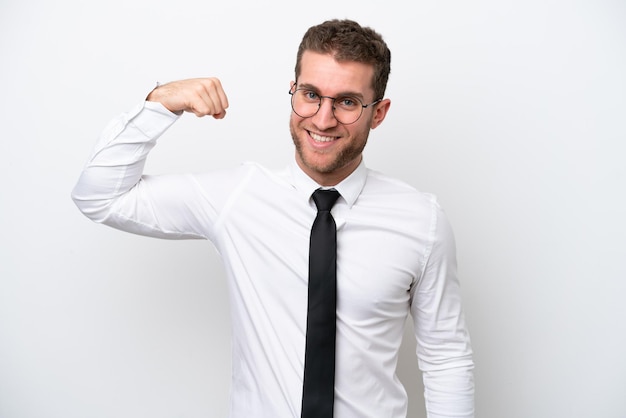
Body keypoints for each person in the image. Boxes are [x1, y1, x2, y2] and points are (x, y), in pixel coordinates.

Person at [72, 18, 474, 418]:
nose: (322, 119)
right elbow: (100, 197)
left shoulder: (421, 222)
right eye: (311, 94)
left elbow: (446, 358)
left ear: (379, 112)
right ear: (292, 91)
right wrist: (159, 103)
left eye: (347, 102)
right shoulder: (238, 199)